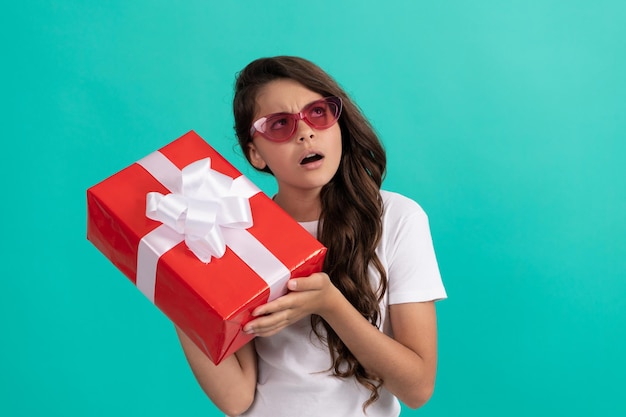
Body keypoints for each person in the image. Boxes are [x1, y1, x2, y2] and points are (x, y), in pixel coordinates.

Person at [175, 56, 447, 417]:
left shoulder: (396, 218)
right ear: (255, 153)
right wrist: (175, 287)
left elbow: (417, 388)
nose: (305, 133)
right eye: (280, 125)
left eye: (318, 113)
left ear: (339, 124)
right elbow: (236, 398)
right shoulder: (231, 233)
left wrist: (329, 304)